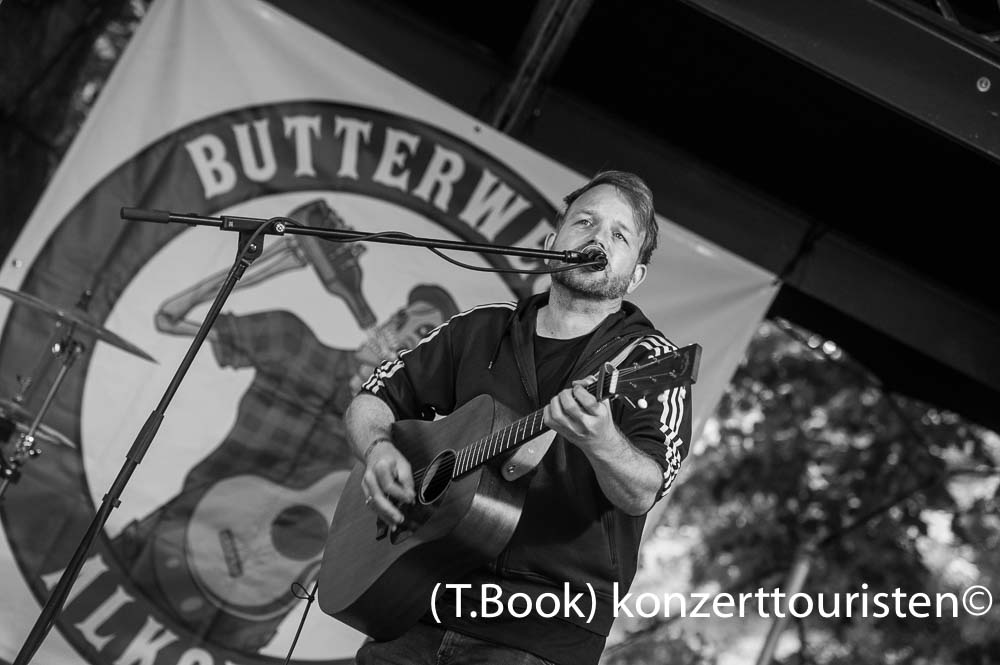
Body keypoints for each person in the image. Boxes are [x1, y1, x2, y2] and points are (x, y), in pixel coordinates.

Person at [345, 171, 692, 665]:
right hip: (420, 597)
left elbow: (642, 491)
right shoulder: (484, 328)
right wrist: (379, 450)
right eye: (585, 222)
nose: (597, 239)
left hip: (541, 632)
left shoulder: (651, 362)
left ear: (635, 276)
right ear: (551, 243)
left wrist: (601, 439)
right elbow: (373, 399)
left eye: (620, 236)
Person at [112, 198, 459, 652]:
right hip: (170, 540)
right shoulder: (292, 342)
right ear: (388, 321)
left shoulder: (400, 440)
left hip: (253, 607)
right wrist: (281, 259)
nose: (401, 339)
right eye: (405, 325)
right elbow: (169, 317)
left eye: (418, 344)